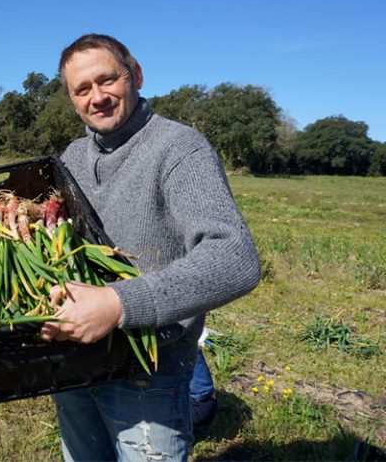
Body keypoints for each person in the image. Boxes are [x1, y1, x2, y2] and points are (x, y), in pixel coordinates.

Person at [40, 34, 260, 461]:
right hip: (75, 358)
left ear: (136, 75)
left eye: (107, 80)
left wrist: (118, 303)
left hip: (149, 367)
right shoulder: (73, 156)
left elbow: (235, 257)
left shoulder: (179, 148)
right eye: (82, 89)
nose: (97, 97)